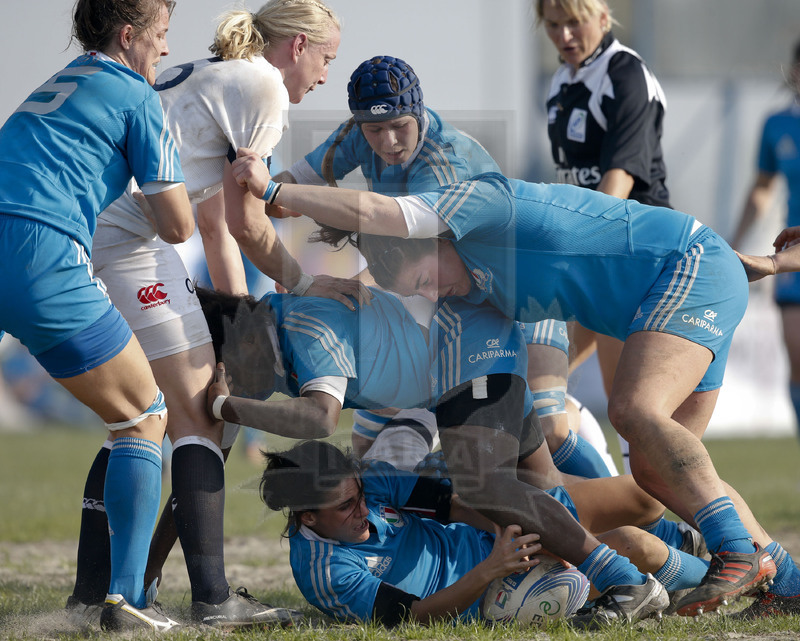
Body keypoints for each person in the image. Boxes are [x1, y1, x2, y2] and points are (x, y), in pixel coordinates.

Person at [230, 163, 800, 618]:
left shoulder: (478, 205)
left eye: (426, 279)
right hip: (697, 277)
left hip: (682, 272)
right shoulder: (479, 283)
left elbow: (383, 211)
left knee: (632, 410)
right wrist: (768, 264)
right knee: (655, 480)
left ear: (432, 241)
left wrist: (278, 188)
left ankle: (727, 552)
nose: (434, 293)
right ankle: (786, 580)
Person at [67, 0, 365, 631]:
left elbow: (209, 220)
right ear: (297, 45)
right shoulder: (262, 88)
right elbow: (246, 223)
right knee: (202, 413)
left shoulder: (221, 74)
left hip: (106, 235)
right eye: (326, 58)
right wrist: (307, 283)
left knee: (135, 419)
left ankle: (93, 591)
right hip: (124, 242)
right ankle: (212, 598)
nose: (324, 76)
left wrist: (239, 320)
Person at [274, 54, 609, 477]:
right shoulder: (362, 134)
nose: (389, 140)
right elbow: (291, 183)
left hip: (520, 299)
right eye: (375, 130)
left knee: (549, 427)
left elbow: (410, 269)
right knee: (369, 437)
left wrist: (338, 292)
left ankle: (636, 510)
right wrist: (247, 179)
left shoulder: (440, 164)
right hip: (455, 301)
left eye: (400, 126)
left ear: (417, 111)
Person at [0, 0, 195, 632]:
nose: (165, 50)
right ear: (129, 34)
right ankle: (126, 600)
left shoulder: (54, 83)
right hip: (42, 256)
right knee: (144, 415)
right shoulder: (138, 96)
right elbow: (178, 224)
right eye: (162, 35)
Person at [259, 440, 709, 625]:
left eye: (358, 495)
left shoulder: (370, 481)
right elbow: (416, 618)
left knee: (644, 496)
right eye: (345, 506)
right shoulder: (326, 571)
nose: (363, 509)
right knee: (635, 545)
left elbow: (452, 504)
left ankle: (694, 543)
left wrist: (514, 532)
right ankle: (721, 577)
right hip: (491, 592)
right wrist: (494, 568)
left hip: (495, 544)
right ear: (307, 518)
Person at [536, 0, 671, 469]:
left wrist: (574, 252)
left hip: (631, 250)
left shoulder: (624, 73)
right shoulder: (562, 82)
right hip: (590, 254)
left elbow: (619, 182)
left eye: (574, 22)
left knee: (628, 406)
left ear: (603, 16)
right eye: (553, 25)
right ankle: (607, 492)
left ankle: (662, 526)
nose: (564, 35)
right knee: (538, 384)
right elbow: (572, 182)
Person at [731, 39, 800, 443]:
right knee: (797, 357)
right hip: (794, 257)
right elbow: (762, 188)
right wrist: (732, 242)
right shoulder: (777, 124)